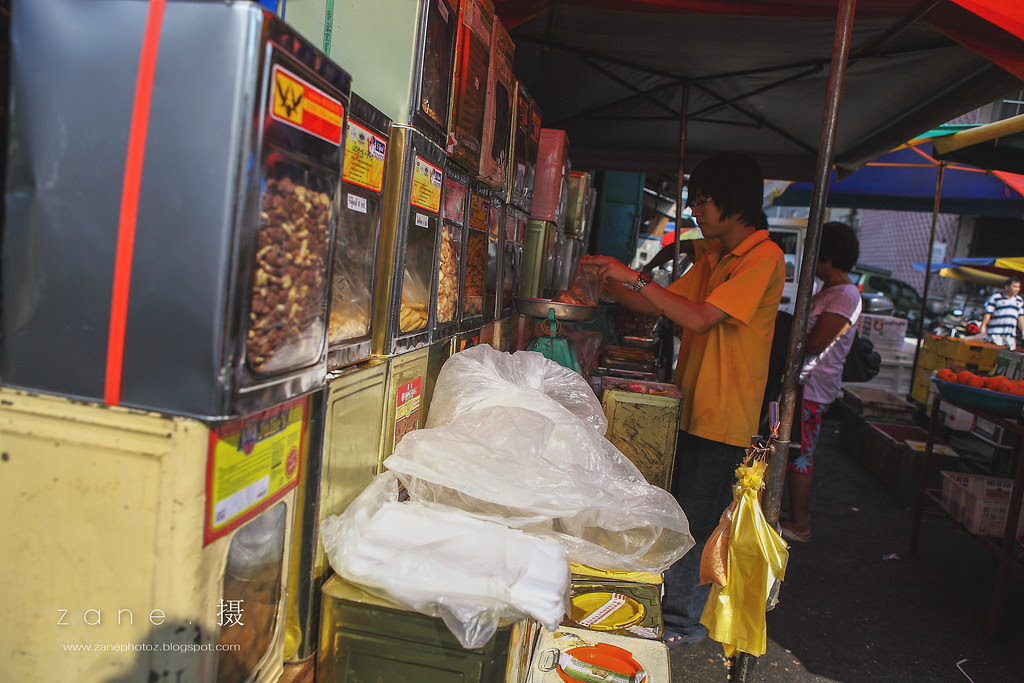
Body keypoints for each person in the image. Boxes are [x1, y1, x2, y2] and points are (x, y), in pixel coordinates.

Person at [581, 151, 785, 646]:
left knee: (696, 523)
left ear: (735, 204)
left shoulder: (763, 258)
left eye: (704, 200)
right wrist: (609, 283)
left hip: (725, 416)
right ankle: (669, 615)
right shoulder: (715, 257)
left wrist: (634, 276)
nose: (695, 210)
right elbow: (661, 305)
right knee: (678, 517)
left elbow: (698, 318)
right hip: (690, 406)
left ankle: (679, 626)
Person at [778, 222, 862, 544]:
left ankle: (801, 523)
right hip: (802, 384)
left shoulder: (846, 295)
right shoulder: (826, 290)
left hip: (813, 388)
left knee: (800, 456)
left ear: (827, 255)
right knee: (792, 452)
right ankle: (792, 514)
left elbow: (815, 344)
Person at [979, 276, 1024, 350]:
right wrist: (983, 326)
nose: (1017, 289)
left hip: (1009, 334)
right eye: (1014, 286)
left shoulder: (1019, 300)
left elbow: (1020, 316)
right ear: (1007, 287)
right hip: (995, 333)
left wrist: (1023, 330)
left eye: (1018, 287)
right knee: (994, 352)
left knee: (1009, 352)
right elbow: (988, 313)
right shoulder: (996, 297)